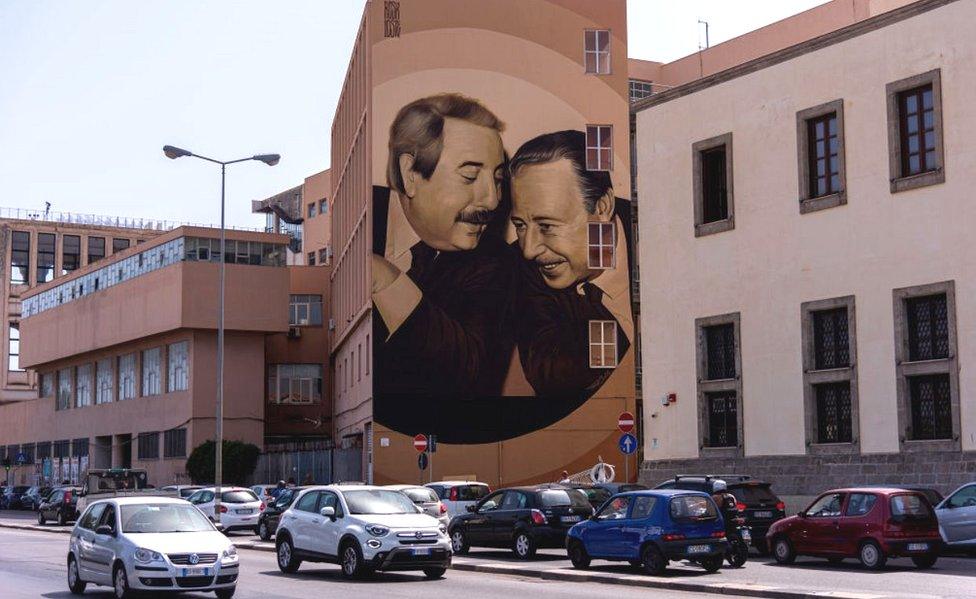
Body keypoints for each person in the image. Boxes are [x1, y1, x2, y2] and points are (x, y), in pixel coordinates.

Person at [371, 93, 517, 435]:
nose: (493, 200)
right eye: (470, 177)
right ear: (410, 174)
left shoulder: (496, 262)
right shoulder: (360, 220)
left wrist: (387, 281)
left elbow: (468, 369)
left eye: (497, 179)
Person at [509, 130, 634, 398]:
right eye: (520, 225)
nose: (529, 250)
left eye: (547, 225)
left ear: (601, 208)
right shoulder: (523, 267)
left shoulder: (658, 233)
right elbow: (552, 376)